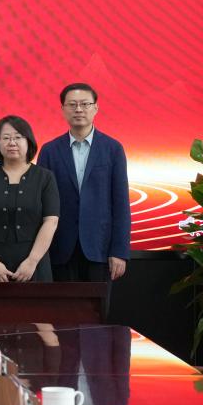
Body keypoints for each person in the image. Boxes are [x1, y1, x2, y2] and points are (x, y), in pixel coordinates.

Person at [37, 83, 131, 282]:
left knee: (97, 302)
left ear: (95, 108)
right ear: (63, 109)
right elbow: (42, 203)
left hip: (100, 248)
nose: (78, 109)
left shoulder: (113, 149)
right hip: (60, 247)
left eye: (85, 104)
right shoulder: (49, 151)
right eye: (72, 104)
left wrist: (119, 251)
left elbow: (121, 203)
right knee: (62, 302)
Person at [0, 115, 59, 282]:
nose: (12, 142)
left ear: (29, 141)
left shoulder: (45, 177)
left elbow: (51, 221)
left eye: (18, 137)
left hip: (35, 264)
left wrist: (32, 261)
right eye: (6, 138)